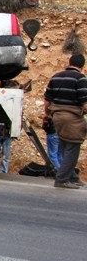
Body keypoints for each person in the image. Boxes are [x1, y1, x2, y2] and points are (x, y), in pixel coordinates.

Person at [44, 53, 87, 189]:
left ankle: (72, 177)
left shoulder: (56, 77)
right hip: (72, 118)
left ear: (69, 62)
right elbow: (85, 103)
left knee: (64, 148)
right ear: (82, 66)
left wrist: (47, 115)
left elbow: (47, 100)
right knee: (73, 148)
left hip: (57, 117)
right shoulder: (80, 79)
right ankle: (62, 179)